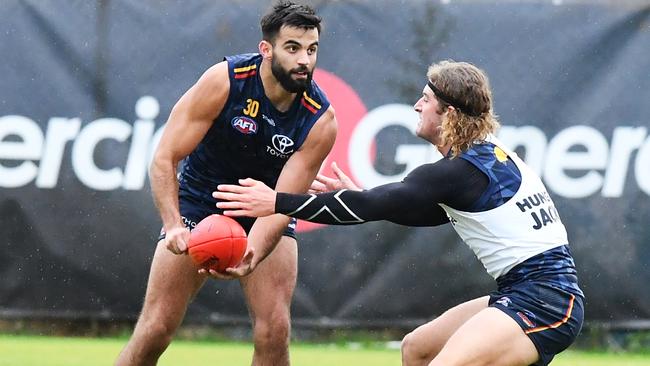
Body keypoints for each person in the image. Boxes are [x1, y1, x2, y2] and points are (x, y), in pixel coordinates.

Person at [214, 60, 584, 366]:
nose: (417, 107)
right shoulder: (480, 158)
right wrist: (359, 195)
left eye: (425, 100)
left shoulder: (459, 171)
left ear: (449, 113)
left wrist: (276, 202)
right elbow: (418, 210)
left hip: (545, 300)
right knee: (418, 349)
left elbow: (373, 206)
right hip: (525, 292)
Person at [115, 1, 337, 365]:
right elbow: (164, 158)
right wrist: (172, 225)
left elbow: (284, 201)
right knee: (156, 328)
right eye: (292, 48)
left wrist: (251, 253)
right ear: (266, 50)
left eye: (311, 50)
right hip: (199, 202)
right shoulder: (225, 80)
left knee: (274, 331)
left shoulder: (321, 119)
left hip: (265, 209)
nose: (304, 61)